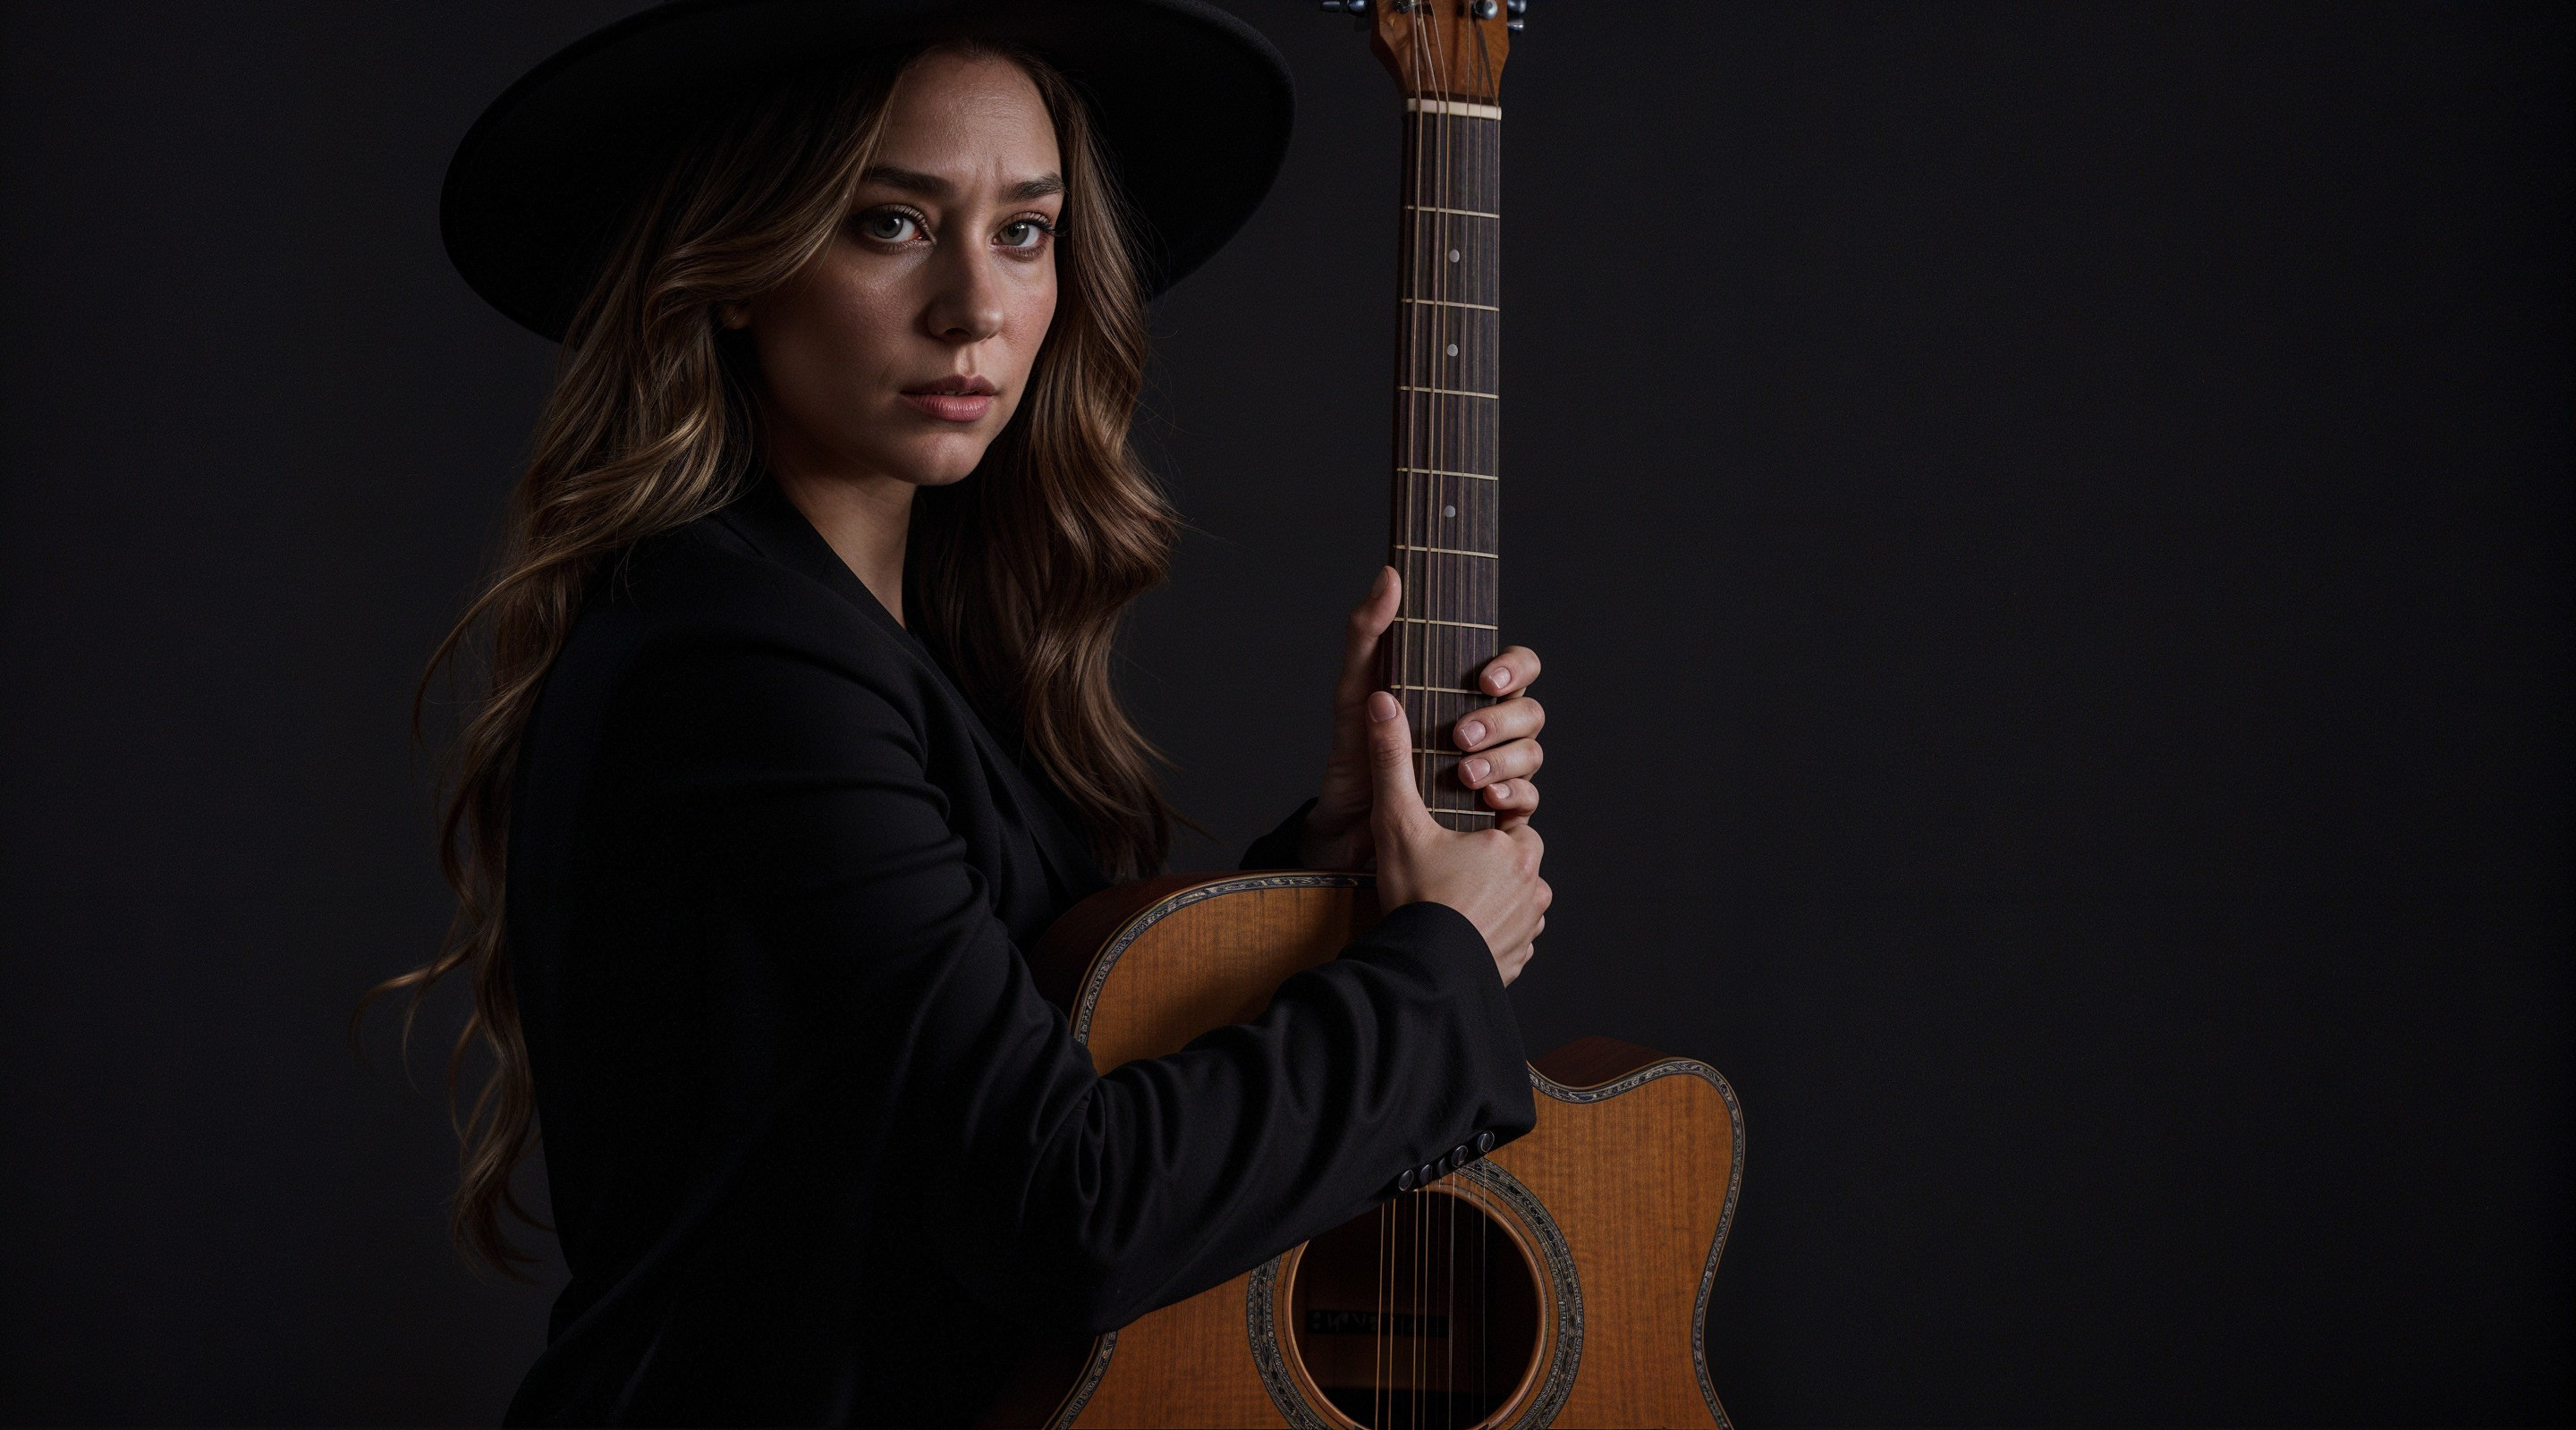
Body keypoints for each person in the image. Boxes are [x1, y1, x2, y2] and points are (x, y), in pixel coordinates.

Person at [383, 2, 1551, 1422]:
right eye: (890, 223)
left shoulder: (870, 638)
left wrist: (1338, 850)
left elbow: (1003, 1060)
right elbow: (1061, 1207)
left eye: (1024, 231)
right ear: (738, 265)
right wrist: (1441, 956)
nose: (975, 309)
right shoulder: (741, 661)